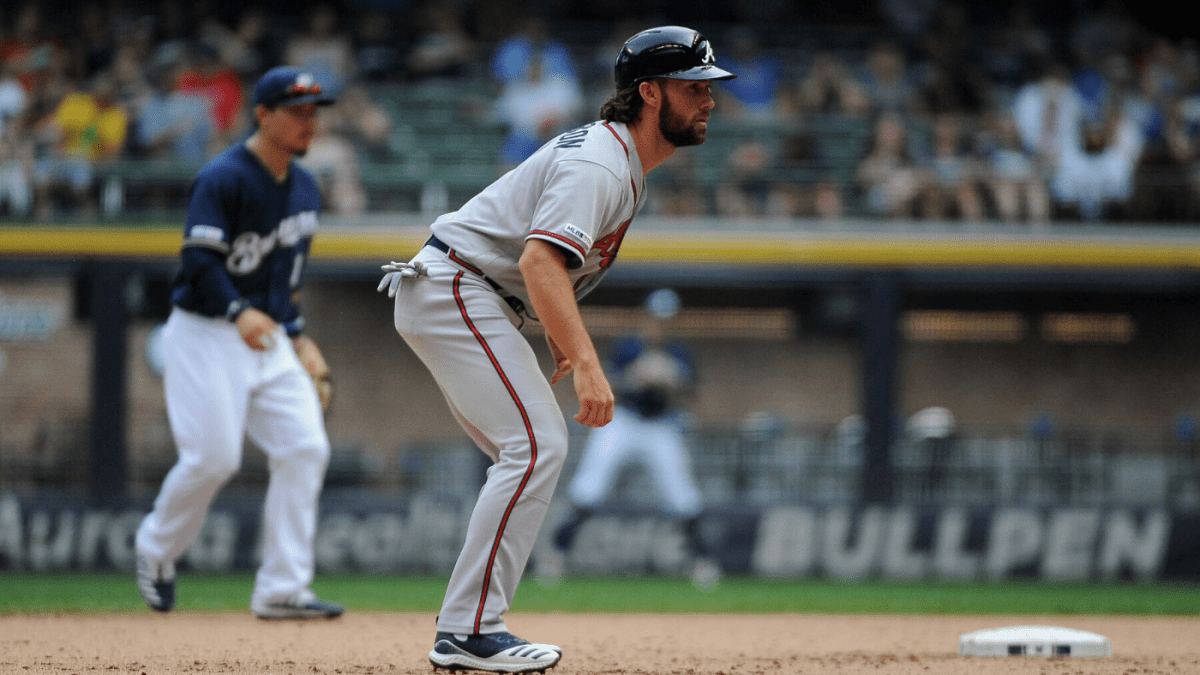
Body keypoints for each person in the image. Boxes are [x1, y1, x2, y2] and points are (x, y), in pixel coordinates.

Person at [377, 25, 735, 674]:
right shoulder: (601, 161)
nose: (709, 98)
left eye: (709, 87)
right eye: (694, 87)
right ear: (649, 94)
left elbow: (540, 272)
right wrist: (590, 363)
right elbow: (540, 261)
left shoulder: (619, 161)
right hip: (458, 285)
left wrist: (557, 337)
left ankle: (468, 623)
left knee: (527, 454)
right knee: (537, 446)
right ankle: (468, 629)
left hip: (468, 292)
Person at [135, 66, 344, 621]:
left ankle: (282, 588)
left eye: (313, 112)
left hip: (267, 334)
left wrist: (301, 339)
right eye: (296, 111)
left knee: (305, 447)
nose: (308, 122)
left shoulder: (304, 186)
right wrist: (237, 309)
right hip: (206, 331)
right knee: (213, 459)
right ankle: (155, 548)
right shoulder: (223, 177)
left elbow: (283, 281)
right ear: (262, 115)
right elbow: (199, 262)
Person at [547, 288, 720, 589]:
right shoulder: (629, 347)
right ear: (647, 316)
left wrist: (673, 382)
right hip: (623, 421)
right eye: (656, 317)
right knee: (589, 488)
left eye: (667, 319)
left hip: (660, 425)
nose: (661, 324)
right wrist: (636, 378)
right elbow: (606, 381)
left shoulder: (678, 351)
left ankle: (701, 564)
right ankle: (556, 558)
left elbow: (694, 391)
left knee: (683, 496)